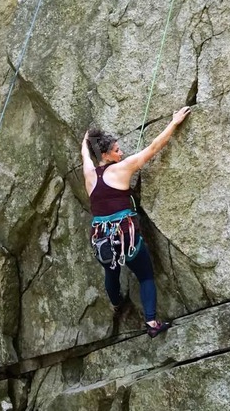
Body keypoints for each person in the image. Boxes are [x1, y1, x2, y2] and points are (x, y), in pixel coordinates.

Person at [81, 106, 191, 338]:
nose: (120, 153)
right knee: (145, 275)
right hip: (125, 236)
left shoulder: (89, 173)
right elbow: (153, 148)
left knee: (110, 271)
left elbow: (85, 155)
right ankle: (151, 322)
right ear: (106, 155)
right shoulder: (122, 168)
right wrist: (174, 122)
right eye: (116, 150)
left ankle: (116, 303)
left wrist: (86, 141)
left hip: (100, 237)